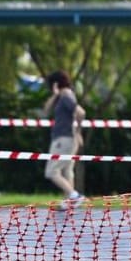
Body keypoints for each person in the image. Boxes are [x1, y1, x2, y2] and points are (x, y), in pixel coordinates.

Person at [43, 70, 86, 209]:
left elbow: (81, 112)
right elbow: (45, 111)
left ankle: (74, 195)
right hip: (68, 138)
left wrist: (78, 131)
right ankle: (68, 202)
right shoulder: (62, 96)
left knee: (51, 172)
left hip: (63, 138)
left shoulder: (66, 96)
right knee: (67, 170)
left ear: (55, 84)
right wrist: (55, 95)